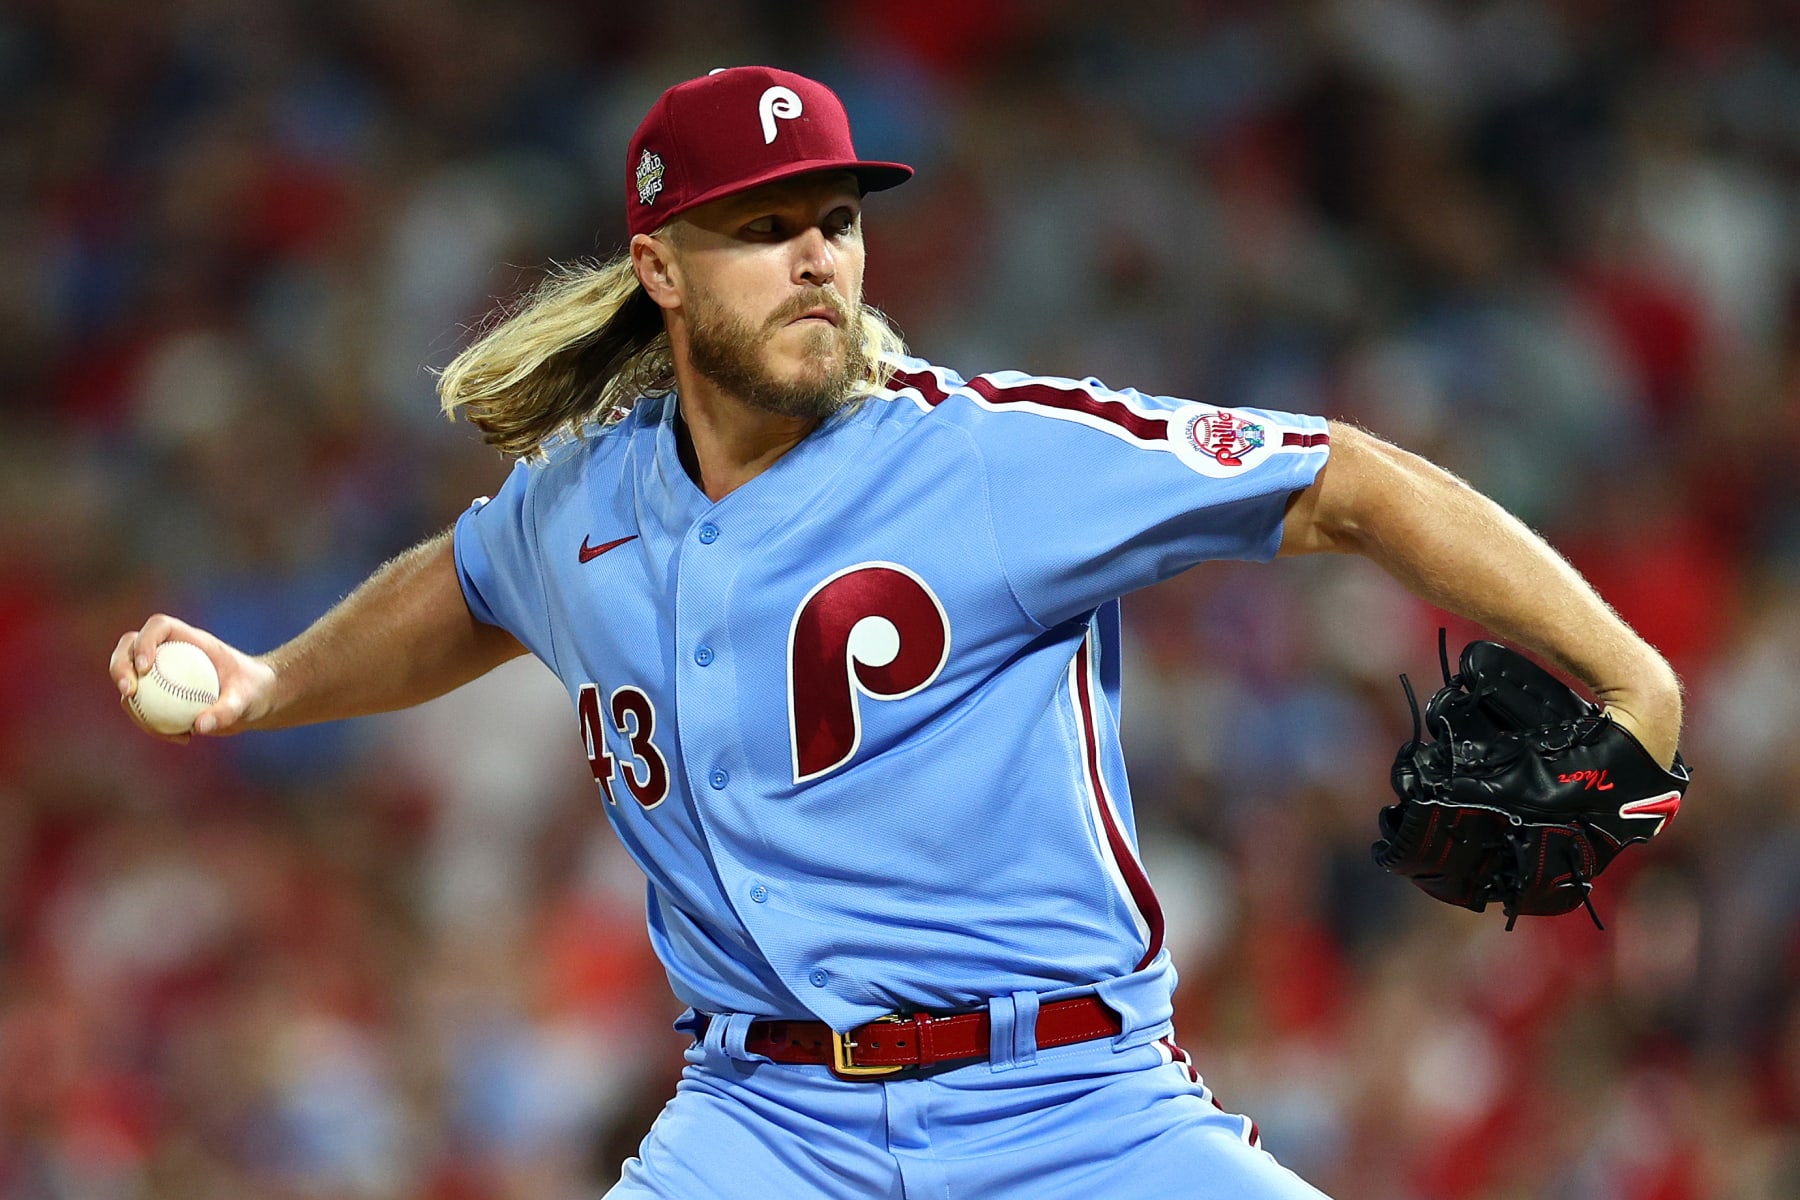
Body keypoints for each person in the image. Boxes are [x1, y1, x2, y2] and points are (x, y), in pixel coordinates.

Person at [111, 66, 1683, 1199]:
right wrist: (270, 686)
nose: (816, 256)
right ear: (658, 268)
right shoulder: (578, 501)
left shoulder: (989, 454)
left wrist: (1628, 670)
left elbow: (1345, 479)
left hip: (1073, 1110)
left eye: (834, 219)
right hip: (760, 1123)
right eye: (761, 225)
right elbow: (460, 586)